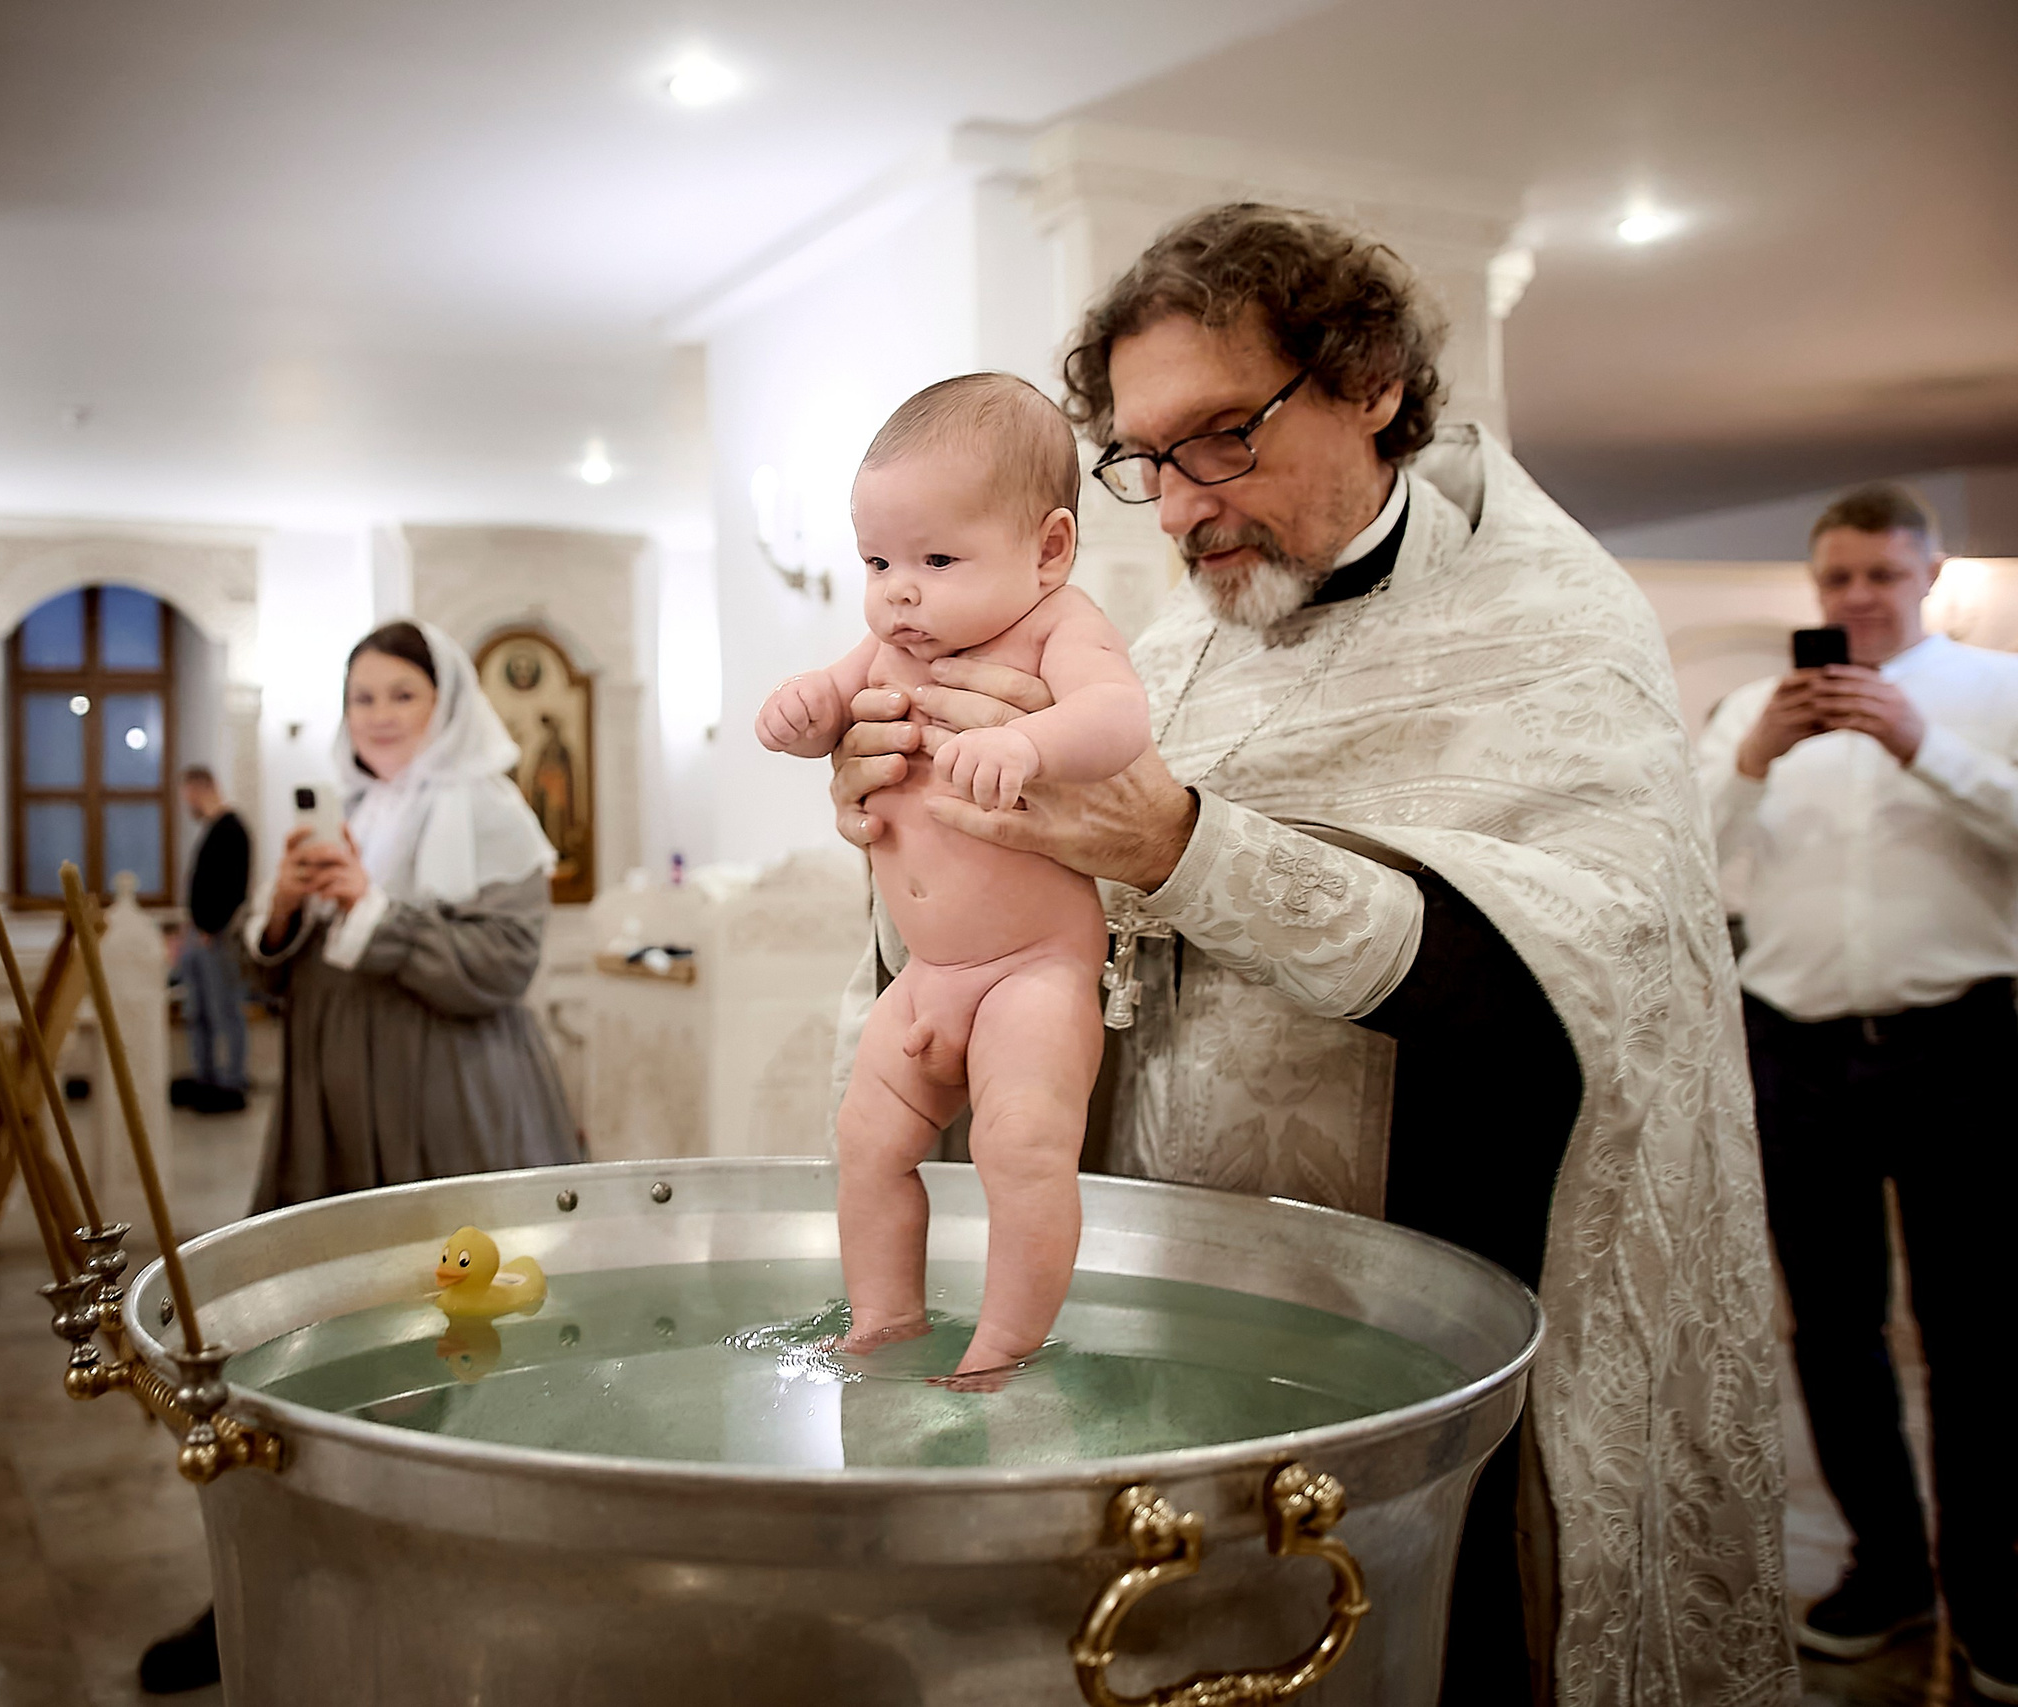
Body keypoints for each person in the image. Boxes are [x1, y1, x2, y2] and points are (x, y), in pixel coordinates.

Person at [825, 203, 1793, 1702]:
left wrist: (1180, 844)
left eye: (1222, 436)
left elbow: (1580, 987)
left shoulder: (1551, 625)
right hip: (1169, 1301)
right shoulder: (1155, 652)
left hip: (1424, 1320)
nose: (1183, 506)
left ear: (1376, 382)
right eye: (1145, 459)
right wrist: (895, 834)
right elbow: (1028, 931)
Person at [138, 617, 579, 1695]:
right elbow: (279, 978)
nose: (376, 717)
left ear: (447, 707)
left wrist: (366, 906)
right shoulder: (345, 809)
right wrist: (284, 912)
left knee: (454, 1333)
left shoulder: (491, 807)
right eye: (360, 698)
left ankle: (479, 1575)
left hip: (449, 1099)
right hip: (332, 1106)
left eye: (399, 696)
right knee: (314, 1333)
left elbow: (501, 970)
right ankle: (285, 1568)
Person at [757, 373, 1149, 1383]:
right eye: (878, 559)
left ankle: (1005, 1341)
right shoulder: (888, 642)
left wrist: (1033, 746)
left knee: (1018, 1151)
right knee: (865, 1141)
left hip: (1032, 973)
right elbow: (828, 709)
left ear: (1049, 549)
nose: (900, 588)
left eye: (936, 557)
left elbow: (1118, 720)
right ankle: (882, 1317)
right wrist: (806, 715)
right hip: (925, 977)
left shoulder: (1058, 627)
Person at [1693, 484, 2018, 1697]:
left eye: (1882, 575)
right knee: (1830, 1331)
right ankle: (1889, 1569)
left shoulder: (1996, 696)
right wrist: (1748, 758)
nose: (1858, 599)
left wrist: (1918, 745)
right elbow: (1675, 842)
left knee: (1975, 1337)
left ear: (1927, 575)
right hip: (1795, 1051)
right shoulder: (1750, 709)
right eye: (1837, 579)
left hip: (1964, 1049)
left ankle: (1991, 1590)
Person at [171, 766, 252, 1114]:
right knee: (199, 1013)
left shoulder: (232, 829)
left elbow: (234, 887)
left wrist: (210, 928)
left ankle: (232, 1079)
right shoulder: (211, 829)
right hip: (199, 935)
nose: (186, 802)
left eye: (187, 794)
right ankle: (206, 1078)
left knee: (225, 1011)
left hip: (216, 938)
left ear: (200, 789)